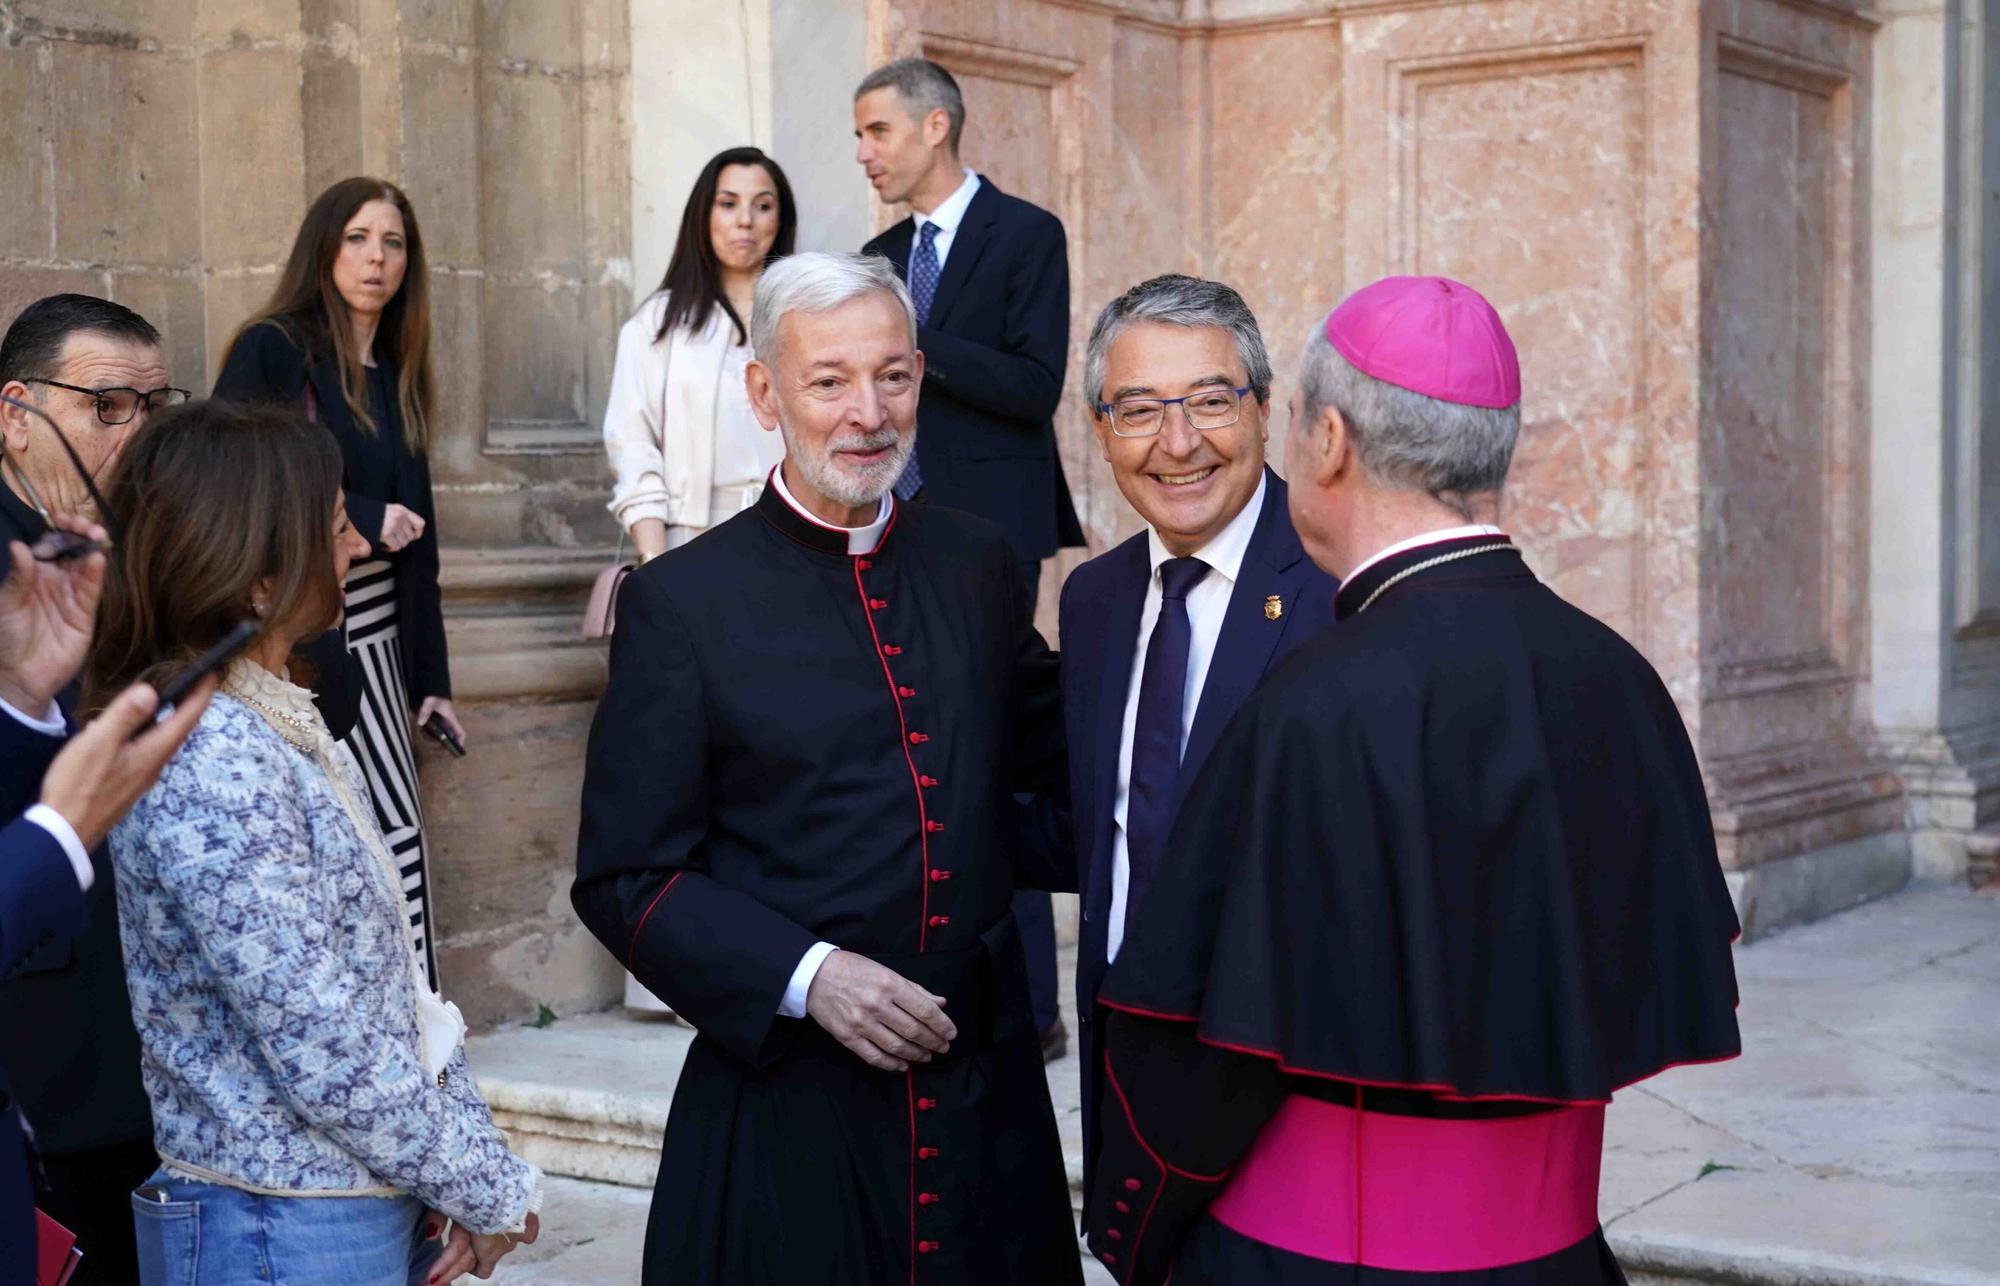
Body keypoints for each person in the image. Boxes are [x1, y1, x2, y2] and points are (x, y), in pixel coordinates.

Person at [1081, 276, 1743, 1284]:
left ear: (1329, 440)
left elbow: (1199, 1051)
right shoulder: (1620, 677)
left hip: (1311, 1259)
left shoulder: (1313, 702)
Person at [572, 252, 1080, 1286]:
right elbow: (629, 876)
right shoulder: (682, 603)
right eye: (829, 380)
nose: (868, 412)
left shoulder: (976, 563)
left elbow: (1047, 770)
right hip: (789, 1099)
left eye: (893, 376)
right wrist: (810, 975)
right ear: (765, 393)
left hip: (984, 1099)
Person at [87, 400, 541, 1286]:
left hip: (332, 1215)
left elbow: (393, 995)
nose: (358, 547)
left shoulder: (270, 722)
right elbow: (323, 1038)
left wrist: (471, 1172)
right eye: (336, 526)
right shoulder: (210, 752)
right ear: (256, 578)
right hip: (274, 1228)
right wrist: (489, 1187)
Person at [1053, 275, 1337, 1229]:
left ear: (1265, 413)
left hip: (1285, 1090)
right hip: (1127, 1066)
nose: (1177, 443)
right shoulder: (1091, 602)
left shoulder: (1340, 592)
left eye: (1210, 402)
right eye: (1138, 409)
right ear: (1099, 430)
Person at [854, 56, 1083, 1055]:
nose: (863, 153)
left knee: (991, 754)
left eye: (878, 132)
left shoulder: (1026, 233)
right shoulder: (873, 251)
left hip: (988, 539)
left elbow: (1034, 385)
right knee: (920, 756)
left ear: (935, 126)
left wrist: (916, 335)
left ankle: (1029, 1008)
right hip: (888, 532)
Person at [213, 177, 458, 989]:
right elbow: (239, 468)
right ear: (325, 245)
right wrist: (359, 512)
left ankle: (417, 1029)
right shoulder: (275, 349)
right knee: (357, 839)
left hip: (386, 637)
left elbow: (423, 544)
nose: (376, 258)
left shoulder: (398, 369)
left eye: (392, 243)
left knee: (395, 838)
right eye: (357, 238)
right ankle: (385, 1030)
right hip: (309, 632)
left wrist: (434, 681)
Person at [0, 293, 194, 1286]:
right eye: (109, 405)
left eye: (154, 404)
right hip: (41, 1024)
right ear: (15, 413)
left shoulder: (149, 534)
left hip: (151, 1014)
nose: (138, 430)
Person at [600, 146, 796, 1013]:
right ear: (702, 214)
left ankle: (780, 952)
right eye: (728, 203)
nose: (745, 221)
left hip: (787, 546)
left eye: (761, 205)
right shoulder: (654, 325)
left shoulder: (803, 315)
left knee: (778, 748)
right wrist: (657, 562)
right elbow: (630, 443)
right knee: (678, 758)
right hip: (685, 542)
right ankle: (674, 971)